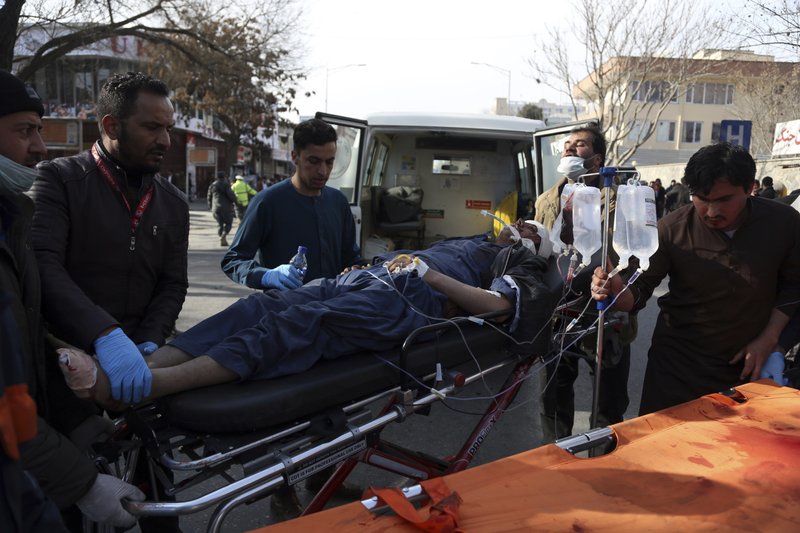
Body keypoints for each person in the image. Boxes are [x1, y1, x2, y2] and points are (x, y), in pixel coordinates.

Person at [61, 221, 555, 404]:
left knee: (297, 325)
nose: (517, 229)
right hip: (368, 279)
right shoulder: (475, 238)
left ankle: (154, 386)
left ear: (537, 245)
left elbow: (499, 308)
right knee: (261, 304)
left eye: (530, 229)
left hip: (408, 299)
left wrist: (430, 277)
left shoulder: (519, 262)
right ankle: (143, 365)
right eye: (518, 224)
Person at [30, 71, 188, 530]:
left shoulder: (173, 203)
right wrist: (103, 335)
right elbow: (44, 265)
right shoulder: (59, 181)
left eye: (169, 129)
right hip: (69, 370)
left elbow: (172, 284)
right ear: (112, 126)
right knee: (73, 501)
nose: (165, 140)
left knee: (161, 497)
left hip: (144, 369)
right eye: (151, 127)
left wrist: (150, 343)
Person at [1, 70, 142, 531]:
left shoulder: (9, 225)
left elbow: (17, 344)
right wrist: (81, 482)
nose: (40, 147)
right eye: (25, 131)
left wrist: (81, 422)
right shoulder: (60, 187)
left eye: (40, 130)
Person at [591, 142, 800, 415]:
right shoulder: (671, 229)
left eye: (724, 199)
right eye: (702, 198)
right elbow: (637, 291)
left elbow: (793, 286)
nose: (712, 212)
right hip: (678, 367)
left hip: (748, 366)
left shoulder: (784, 223)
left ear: (749, 188)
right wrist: (616, 290)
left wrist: (770, 340)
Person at [533, 123, 633, 444]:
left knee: (608, 400)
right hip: (558, 309)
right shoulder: (548, 198)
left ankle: (603, 463)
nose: (569, 150)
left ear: (597, 158)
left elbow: (629, 254)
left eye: (579, 145)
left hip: (603, 308)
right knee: (553, 394)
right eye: (567, 145)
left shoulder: (619, 199)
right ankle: (555, 458)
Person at [222, 118, 361, 290]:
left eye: (329, 162)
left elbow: (352, 258)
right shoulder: (267, 202)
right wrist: (265, 275)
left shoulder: (338, 202)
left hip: (333, 307)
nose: (323, 171)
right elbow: (233, 260)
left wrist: (355, 270)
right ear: (294, 156)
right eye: (314, 161)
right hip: (284, 310)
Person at [208, 170, 237, 246]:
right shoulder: (226, 185)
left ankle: (221, 236)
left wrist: (211, 207)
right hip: (226, 208)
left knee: (220, 224)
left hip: (216, 208)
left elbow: (209, 197)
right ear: (224, 177)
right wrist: (235, 201)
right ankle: (224, 234)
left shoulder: (212, 185)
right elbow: (231, 195)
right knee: (228, 223)